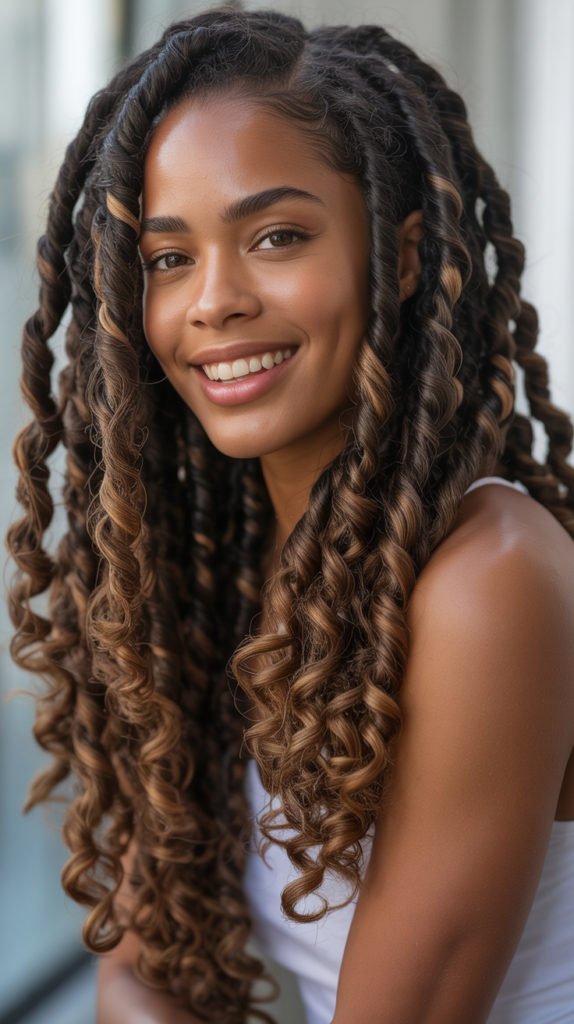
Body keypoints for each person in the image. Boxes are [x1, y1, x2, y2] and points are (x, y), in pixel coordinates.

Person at [8, 6, 574, 1023]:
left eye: (276, 236)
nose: (212, 302)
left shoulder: (489, 578)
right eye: (167, 258)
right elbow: (134, 969)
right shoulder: (219, 568)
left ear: (400, 259)